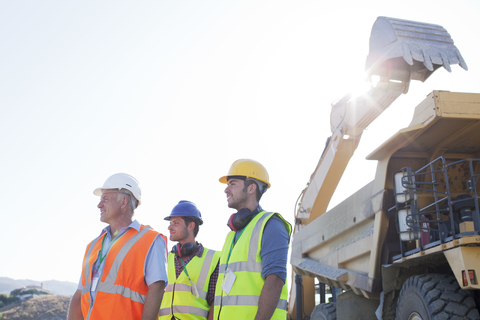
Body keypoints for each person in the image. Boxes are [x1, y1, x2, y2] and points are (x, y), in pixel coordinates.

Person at [67, 173, 168, 320]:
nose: (99, 205)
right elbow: (80, 294)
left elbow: (157, 289)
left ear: (123, 202)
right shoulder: (93, 245)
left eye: (105, 199)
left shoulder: (151, 240)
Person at [214, 159, 292, 320]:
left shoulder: (271, 225)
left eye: (232, 184)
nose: (226, 190)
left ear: (251, 188)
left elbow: (275, 280)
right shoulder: (232, 235)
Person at [160, 200, 220, 320]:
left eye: (175, 223)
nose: (169, 227)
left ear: (191, 226)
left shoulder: (213, 259)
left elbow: (216, 302)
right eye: (170, 223)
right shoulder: (165, 257)